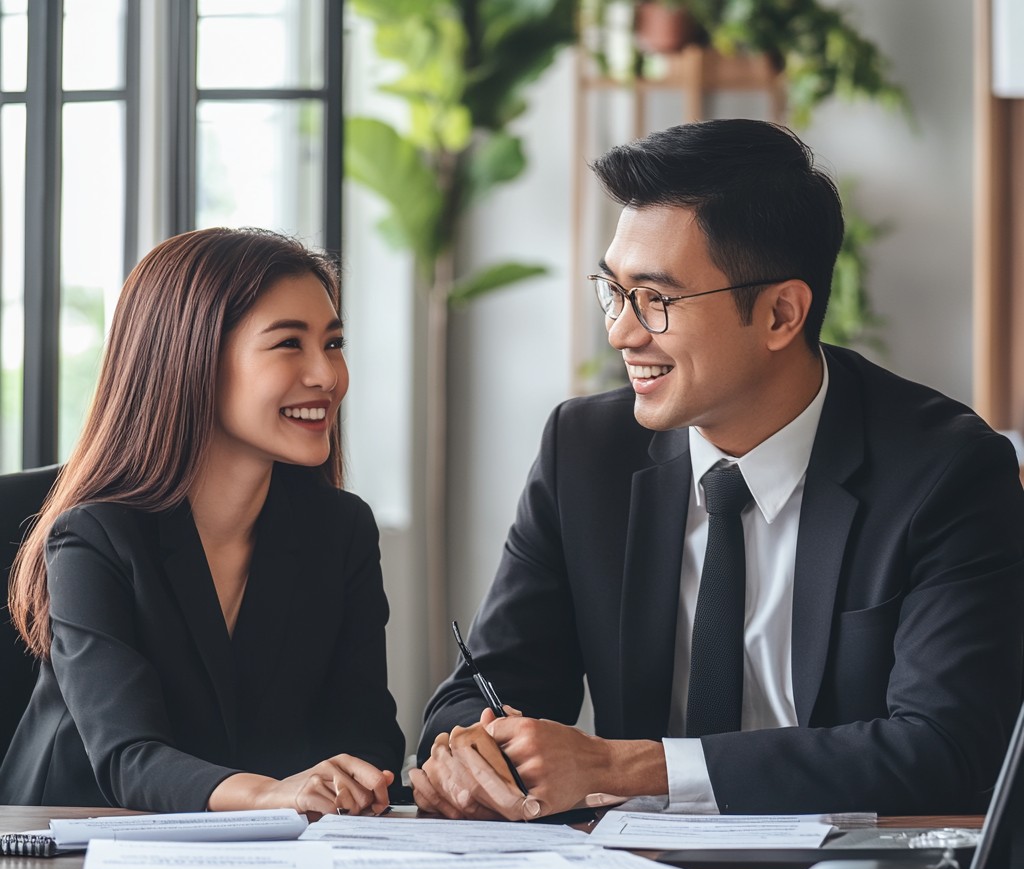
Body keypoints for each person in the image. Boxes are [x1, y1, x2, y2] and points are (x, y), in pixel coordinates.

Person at [412, 118, 1024, 821]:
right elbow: (481, 688)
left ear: (780, 314)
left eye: (657, 300)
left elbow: (946, 748)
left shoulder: (944, 471)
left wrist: (626, 766)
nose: (620, 331)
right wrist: (471, 753)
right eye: (614, 290)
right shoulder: (585, 452)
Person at [1, 227, 405, 815]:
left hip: (260, 855)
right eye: (289, 344)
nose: (326, 375)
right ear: (193, 360)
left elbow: (365, 734)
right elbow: (127, 757)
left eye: (334, 343)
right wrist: (272, 793)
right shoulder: (95, 537)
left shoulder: (339, 530)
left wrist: (364, 782)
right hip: (73, 853)